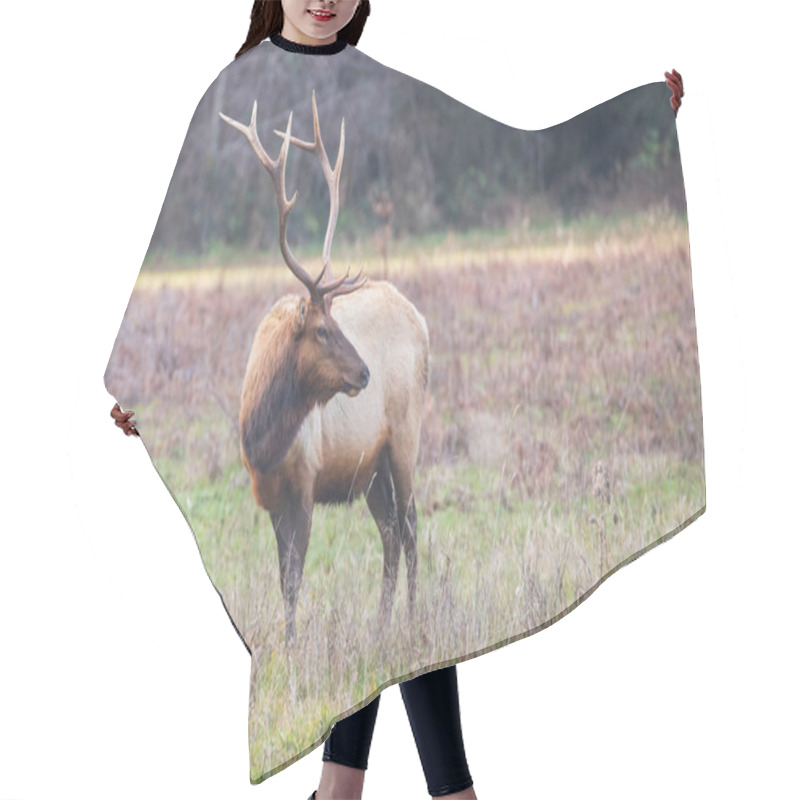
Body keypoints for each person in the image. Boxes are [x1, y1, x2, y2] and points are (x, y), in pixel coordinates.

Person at [109, 4, 685, 798]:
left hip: (360, 340)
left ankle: (369, 792)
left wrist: (635, 120)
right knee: (378, 610)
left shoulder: (379, 86)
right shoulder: (231, 91)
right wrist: (136, 385)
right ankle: (407, 791)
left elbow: (515, 152)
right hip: (303, 345)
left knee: (403, 582)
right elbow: (178, 233)